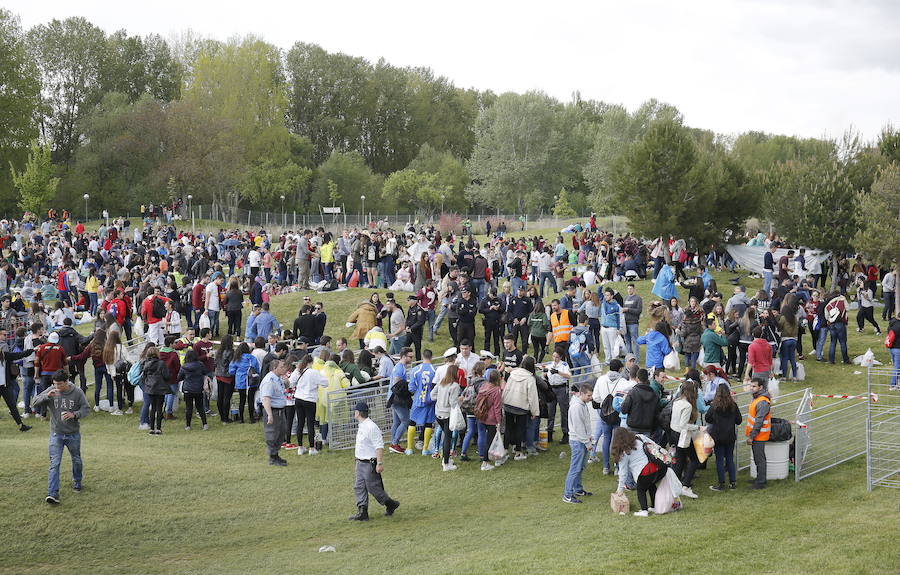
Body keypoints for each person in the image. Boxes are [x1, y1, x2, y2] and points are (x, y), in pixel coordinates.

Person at [31, 369, 90, 505]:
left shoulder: (77, 392)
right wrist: (47, 396)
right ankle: (52, 494)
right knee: (54, 463)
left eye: (60, 384)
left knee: (76, 460)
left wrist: (74, 414)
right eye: (55, 384)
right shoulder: (51, 390)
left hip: (73, 434)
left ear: (67, 382)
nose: (57, 387)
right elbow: (34, 402)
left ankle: (77, 481)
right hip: (56, 433)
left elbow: (86, 409)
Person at [349, 401, 400, 521]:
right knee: (359, 486)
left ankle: (390, 504)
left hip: (369, 463)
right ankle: (362, 511)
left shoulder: (371, 427)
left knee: (374, 488)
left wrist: (379, 463)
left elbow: (379, 446)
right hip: (360, 462)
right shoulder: (362, 425)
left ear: (358, 413)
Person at [611, 427, 667, 517]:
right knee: (651, 485)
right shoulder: (640, 437)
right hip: (659, 468)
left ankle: (644, 510)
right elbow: (655, 446)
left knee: (641, 489)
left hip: (644, 472)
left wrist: (620, 489)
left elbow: (623, 473)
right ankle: (655, 506)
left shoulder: (623, 452)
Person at [502, 355, 540, 461]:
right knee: (519, 428)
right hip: (521, 406)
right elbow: (532, 397)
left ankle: (505, 449)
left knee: (508, 428)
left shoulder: (513, 374)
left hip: (508, 403)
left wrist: (503, 401)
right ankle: (518, 451)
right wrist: (535, 412)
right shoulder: (530, 378)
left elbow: (506, 388)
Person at [705, 382, 742, 491]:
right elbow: (739, 420)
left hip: (718, 436)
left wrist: (715, 421)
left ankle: (721, 483)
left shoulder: (714, 406)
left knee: (720, 460)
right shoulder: (733, 405)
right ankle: (732, 482)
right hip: (730, 436)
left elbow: (707, 418)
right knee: (730, 458)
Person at [561, 384, 594, 504]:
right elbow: (579, 428)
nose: (591, 398)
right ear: (582, 394)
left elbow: (584, 424)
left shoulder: (583, 404)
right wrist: (587, 443)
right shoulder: (576, 407)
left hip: (582, 440)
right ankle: (567, 495)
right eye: (588, 395)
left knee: (580, 467)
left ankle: (578, 489)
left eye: (591, 395)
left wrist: (589, 436)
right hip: (578, 442)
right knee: (575, 468)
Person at [670, 379, 701, 499]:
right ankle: (685, 486)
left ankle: (675, 485)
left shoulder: (677, 401)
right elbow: (684, 425)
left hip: (674, 433)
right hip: (682, 434)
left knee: (680, 459)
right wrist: (698, 427)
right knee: (694, 459)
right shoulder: (687, 406)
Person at [290, 354, 328, 455]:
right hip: (310, 400)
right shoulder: (314, 372)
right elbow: (325, 383)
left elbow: (290, 382)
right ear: (311, 363)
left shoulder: (298, 371)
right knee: (310, 424)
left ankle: (300, 447)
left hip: (298, 398)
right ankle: (312, 448)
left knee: (300, 423)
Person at [430, 361, 462, 471]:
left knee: (446, 436)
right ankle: (446, 463)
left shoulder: (441, 383)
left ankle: (446, 459)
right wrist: (461, 400)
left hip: (438, 413)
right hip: (447, 415)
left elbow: (432, 395)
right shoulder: (455, 386)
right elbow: (453, 403)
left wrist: (440, 400)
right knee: (447, 438)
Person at [406, 349, 437, 455]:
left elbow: (411, 387)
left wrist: (418, 393)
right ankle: (425, 449)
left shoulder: (415, 370)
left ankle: (409, 448)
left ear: (423, 357)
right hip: (430, 400)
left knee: (412, 421)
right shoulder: (435, 370)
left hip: (418, 400)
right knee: (428, 423)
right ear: (431, 357)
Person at [260, 359, 290, 467]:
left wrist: (286, 381)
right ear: (274, 368)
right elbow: (266, 398)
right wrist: (270, 415)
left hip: (281, 410)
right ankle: (272, 457)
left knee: (281, 433)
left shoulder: (278, 379)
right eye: (282, 367)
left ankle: (276, 455)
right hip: (273, 410)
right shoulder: (269, 380)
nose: (284, 368)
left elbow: (285, 388)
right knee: (272, 434)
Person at [745, 377, 772, 489]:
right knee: (758, 458)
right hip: (757, 435)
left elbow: (759, 421)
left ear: (760, 387)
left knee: (760, 459)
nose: (751, 388)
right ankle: (759, 479)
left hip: (759, 435)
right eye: (751, 386)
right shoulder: (757, 399)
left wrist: (752, 436)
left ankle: (761, 482)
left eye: (754, 386)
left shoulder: (762, 402)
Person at [476, 369, 504, 470]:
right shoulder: (496, 390)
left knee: (482, 437)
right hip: (491, 418)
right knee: (490, 440)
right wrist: (498, 421)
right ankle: (485, 462)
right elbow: (497, 408)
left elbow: (477, 400)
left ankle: (483, 456)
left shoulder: (483, 387)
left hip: (481, 416)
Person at [386, 347, 413, 454]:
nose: (411, 358)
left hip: (393, 398)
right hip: (397, 399)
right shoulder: (399, 368)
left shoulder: (399, 367)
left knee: (397, 421)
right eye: (410, 356)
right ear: (403, 356)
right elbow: (397, 383)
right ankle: (394, 443)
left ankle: (394, 444)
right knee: (406, 421)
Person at [543, 348, 572, 444]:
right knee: (550, 411)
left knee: (564, 411)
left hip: (561, 389)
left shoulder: (564, 365)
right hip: (552, 388)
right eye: (554, 356)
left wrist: (558, 372)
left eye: (557, 357)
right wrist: (545, 373)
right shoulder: (550, 364)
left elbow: (568, 376)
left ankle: (565, 434)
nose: (555, 358)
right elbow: (544, 375)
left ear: (561, 357)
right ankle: (549, 432)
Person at [178, 349, 211, 431]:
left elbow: (179, 377)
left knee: (189, 408)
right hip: (198, 389)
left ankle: (188, 426)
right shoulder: (200, 365)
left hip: (187, 389)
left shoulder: (184, 367)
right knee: (200, 407)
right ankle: (205, 424)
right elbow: (206, 372)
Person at [141, 346, 170, 435]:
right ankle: (158, 428)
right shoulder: (161, 363)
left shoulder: (146, 363)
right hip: (160, 387)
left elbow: (143, 376)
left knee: (153, 408)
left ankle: (152, 428)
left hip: (150, 388)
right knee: (159, 408)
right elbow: (166, 376)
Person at [622, 284, 643, 362]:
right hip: (625, 323)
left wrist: (628, 309)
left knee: (635, 341)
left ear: (634, 289)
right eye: (628, 289)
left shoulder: (638, 298)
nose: (629, 290)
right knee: (627, 341)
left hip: (633, 323)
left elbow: (639, 311)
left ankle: (636, 359)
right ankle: (629, 358)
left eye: (631, 289)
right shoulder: (625, 298)